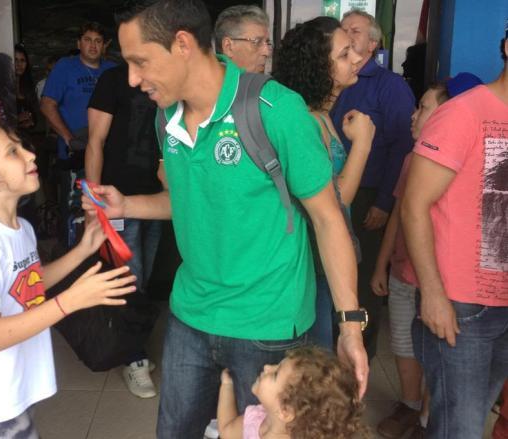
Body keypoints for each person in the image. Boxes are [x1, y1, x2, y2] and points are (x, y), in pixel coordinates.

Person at [83, 2, 369, 438]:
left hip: (268, 324)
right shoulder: (167, 116)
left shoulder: (275, 110)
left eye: (140, 61)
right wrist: (128, 206)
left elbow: (329, 220)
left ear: (182, 44)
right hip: (190, 315)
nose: (133, 79)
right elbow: (189, 200)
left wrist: (350, 325)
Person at [0, 122, 136, 439]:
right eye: (13, 152)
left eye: (23, 147)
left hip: (9, 386)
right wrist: (70, 300)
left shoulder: (21, 229)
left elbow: (28, 284)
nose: (31, 156)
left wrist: (84, 248)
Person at [401, 30, 508, 438]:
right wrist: (432, 293)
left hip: (503, 303)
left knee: (471, 419)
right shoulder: (463, 113)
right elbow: (414, 204)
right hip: (460, 306)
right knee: (458, 429)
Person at [370, 73, 483, 439]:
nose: (413, 116)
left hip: (443, 281)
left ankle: (426, 420)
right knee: (403, 343)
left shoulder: (470, 160)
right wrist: (382, 263)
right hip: (405, 274)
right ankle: (410, 405)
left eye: (424, 108)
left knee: (439, 354)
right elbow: (402, 213)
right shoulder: (411, 159)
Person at [274, 16, 375, 350]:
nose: (358, 58)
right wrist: (362, 143)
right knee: (317, 357)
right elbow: (338, 198)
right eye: (345, 55)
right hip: (315, 261)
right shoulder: (305, 119)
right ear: (320, 67)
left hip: (324, 257)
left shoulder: (320, 114)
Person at [330, 9, 416, 359]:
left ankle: (359, 353)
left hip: (367, 197)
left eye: (355, 31)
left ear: (374, 42)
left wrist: (384, 201)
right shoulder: (333, 79)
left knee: (363, 278)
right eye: (344, 30)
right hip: (330, 191)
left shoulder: (390, 86)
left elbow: (402, 147)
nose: (348, 36)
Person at [85, 63, 163, 398]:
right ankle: (134, 357)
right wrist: (92, 202)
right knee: (129, 276)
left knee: (145, 277)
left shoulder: (166, 77)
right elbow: (95, 142)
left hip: (159, 199)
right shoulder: (114, 79)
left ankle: (133, 345)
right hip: (118, 199)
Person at [40, 22, 116, 245]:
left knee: (106, 206)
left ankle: (102, 257)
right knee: (76, 210)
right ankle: (72, 261)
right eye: (88, 39)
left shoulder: (111, 70)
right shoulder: (65, 66)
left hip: (108, 153)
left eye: (98, 41)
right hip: (76, 154)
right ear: (78, 43)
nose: (93, 45)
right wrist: (68, 138)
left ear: (105, 46)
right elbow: (47, 104)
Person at [217, 346, 366, 439]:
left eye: (275, 374)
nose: (268, 367)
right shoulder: (255, 419)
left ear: (285, 411)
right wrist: (227, 385)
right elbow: (227, 431)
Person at [214, 5, 271, 74]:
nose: (267, 52)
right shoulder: (203, 83)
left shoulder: (268, 84)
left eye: (268, 43)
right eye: (257, 42)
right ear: (228, 47)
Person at [14, 44, 39, 133]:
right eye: (15, 60)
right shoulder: (3, 88)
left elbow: (35, 116)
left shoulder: (28, 87)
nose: (19, 64)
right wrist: (17, 120)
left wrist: (31, 120)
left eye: (22, 60)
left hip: (26, 138)